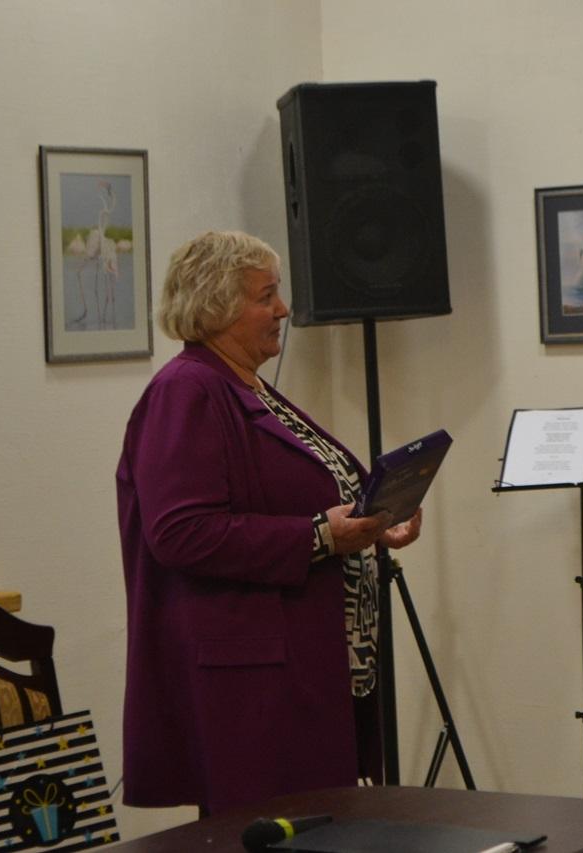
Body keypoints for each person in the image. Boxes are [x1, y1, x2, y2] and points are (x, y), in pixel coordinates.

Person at [116, 230, 421, 816]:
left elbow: (307, 493)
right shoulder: (185, 390)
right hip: (251, 681)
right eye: (266, 296)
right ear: (217, 305)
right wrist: (321, 536)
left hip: (305, 663)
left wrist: (372, 524)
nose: (283, 309)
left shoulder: (244, 384)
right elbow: (179, 534)